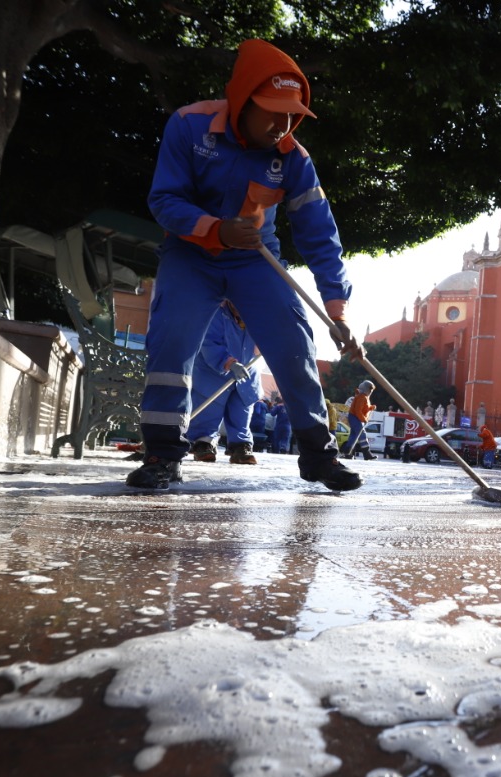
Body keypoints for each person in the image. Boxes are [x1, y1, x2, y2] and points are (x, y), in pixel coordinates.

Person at [125, 37, 361, 491]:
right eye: (273, 110)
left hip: (256, 258)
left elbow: (320, 235)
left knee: (295, 343)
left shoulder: (293, 157)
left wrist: (338, 311)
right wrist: (215, 228)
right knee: (172, 343)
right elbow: (164, 199)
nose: (283, 123)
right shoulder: (188, 126)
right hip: (190, 254)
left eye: (293, 113)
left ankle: (318, 455)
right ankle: (162, 454)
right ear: (242, 100)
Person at [187, 301, 263, 464]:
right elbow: (209, 342)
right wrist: (228, 362)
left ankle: (240, 445)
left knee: (241, 412)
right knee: (208, 410)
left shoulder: (259, 316)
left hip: (246, 374)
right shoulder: (216, 313)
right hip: (213, 372)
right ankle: (203, 442)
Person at [344, 380, 377, 461]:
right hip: (356, 417)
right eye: (370, 390)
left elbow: (362, 409)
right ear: (367, 389)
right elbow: (358, 410)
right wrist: (364, 419)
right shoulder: (362, 397)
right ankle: (367, 454)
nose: (371, 392)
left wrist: (371, 407)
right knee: (362, 434)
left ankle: (348, 452)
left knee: (354, 435)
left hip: (353, 417)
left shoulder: (362, 396)